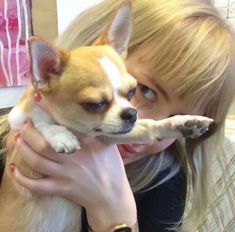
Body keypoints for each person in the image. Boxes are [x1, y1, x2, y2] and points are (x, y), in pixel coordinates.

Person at [1, 0, 235, 231]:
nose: (144, 120)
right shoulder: (11, 140)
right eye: (142, 90)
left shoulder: (163, 177)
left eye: (182, 117)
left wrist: (115, 215)